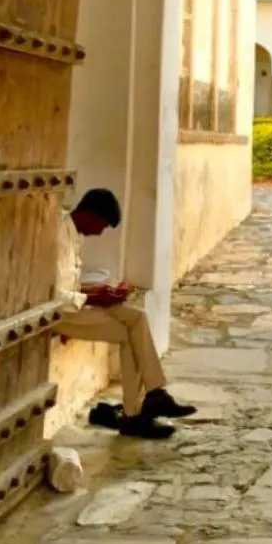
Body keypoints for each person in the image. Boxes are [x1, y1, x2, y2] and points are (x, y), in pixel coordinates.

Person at [56, 188, 195, 439]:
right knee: (132, 331)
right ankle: (141, 407)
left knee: (137, 318)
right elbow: (51, 294)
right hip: (59, 314)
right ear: (90, 213)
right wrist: (95, 297)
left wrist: (102, 291)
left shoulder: (74, 234)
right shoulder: (57, 235)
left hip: (74, 305)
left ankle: (147, 401)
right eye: (102, 225)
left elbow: (69, 284)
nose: (101, 232)